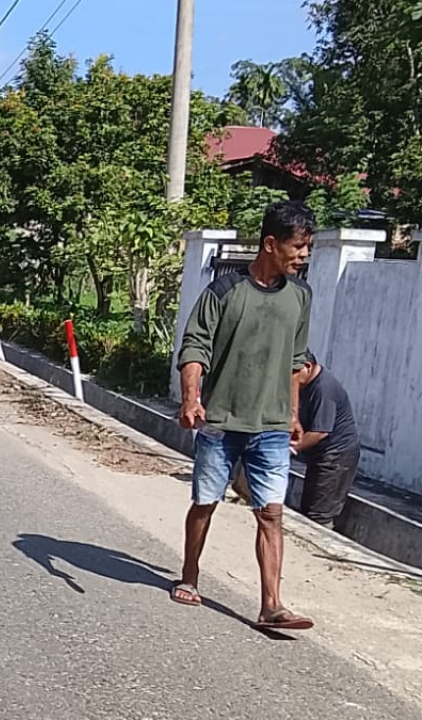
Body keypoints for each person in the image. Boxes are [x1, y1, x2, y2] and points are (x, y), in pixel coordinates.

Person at [172, 200, 315, 630]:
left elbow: (296, 360)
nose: (304, 255)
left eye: (308, 248)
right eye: (299, 247)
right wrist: (191, 398)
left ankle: (271, 604)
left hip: (270, 426)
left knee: (271, 512)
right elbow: (194, 347)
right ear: (270, 244)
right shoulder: (224, 291)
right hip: (221, 422)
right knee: (204, 503)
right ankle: (190, 575)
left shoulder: (301, 297)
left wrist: (292, 413)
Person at [291, 352, 360, 529]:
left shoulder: (323, 389)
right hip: (320, 456)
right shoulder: (306, 387)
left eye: (293, 373)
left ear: (307, 366)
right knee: (309, 507)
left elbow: (319, 432)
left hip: (337, 457)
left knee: (319, 514)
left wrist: (289, 450)